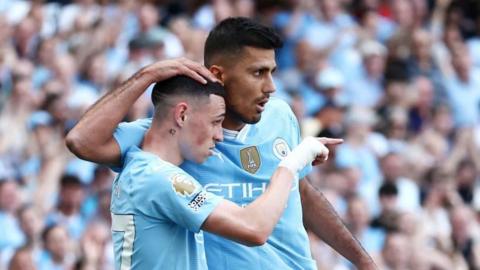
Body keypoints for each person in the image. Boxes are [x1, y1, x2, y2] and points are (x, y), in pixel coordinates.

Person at [66, 17, 376, 269]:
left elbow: (302, 194)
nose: (270, 87)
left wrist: (363, 261)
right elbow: (81, 141)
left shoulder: (280, 115)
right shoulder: (168, 139)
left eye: (272, 72)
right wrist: (147, 75)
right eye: (258, 73)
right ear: (219, 74)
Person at [106, 75, 332, 269]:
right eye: (215, 122)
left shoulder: (142, 168)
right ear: (182, 115)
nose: (220, 135)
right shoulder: (158, 178)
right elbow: (254, 229)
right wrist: (292, 162)